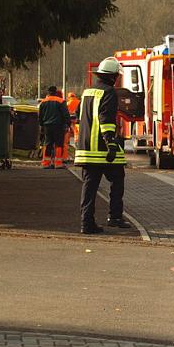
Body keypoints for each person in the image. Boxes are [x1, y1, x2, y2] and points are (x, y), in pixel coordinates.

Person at [75, 58, 131, 234]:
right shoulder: (109, 92)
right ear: (113, 76)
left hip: (85, 149)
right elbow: (106, 119)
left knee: (89, 187)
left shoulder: (87, 92)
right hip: (101, 150)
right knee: (117, 178)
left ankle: (86, 223)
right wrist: (111, 144)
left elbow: (78, 114)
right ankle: (114, 217)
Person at [38, 85, 70, 169]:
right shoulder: (61, 101)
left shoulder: (43, 102)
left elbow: (40, 116)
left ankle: (46, 163)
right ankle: (58, 163)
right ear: (55, 92)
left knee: (47, 143)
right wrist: (67, 124)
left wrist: (42, 125)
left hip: (47, 126)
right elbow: (66, 114)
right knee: (58, 144)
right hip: (58, 126)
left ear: (48, 92)